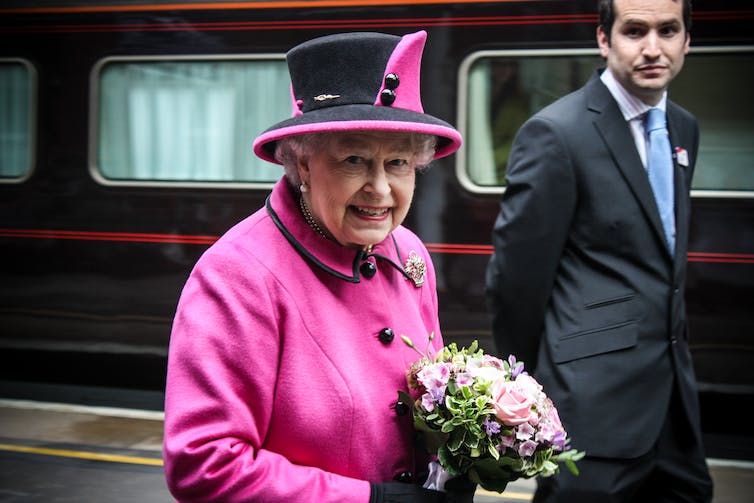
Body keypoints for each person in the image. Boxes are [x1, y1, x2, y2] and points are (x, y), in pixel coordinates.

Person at [162, 30, 476, 503]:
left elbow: (430, 402)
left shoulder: (408, 253)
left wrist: (463, 455)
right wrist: (372, 500)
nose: (381, 189)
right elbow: (204, 463)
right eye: (354, 160)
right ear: (303, 163)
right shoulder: (238, 275)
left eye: (398, 163)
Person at [484, 0, 714, 501]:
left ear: (687, 39)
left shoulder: (684, 128)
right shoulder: (556, 133)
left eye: (668, 30)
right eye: (634, 31)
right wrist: (533, 392)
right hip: (592, 412)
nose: (653, 48)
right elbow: (515, 281)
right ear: (604, 39)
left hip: (676, 412)